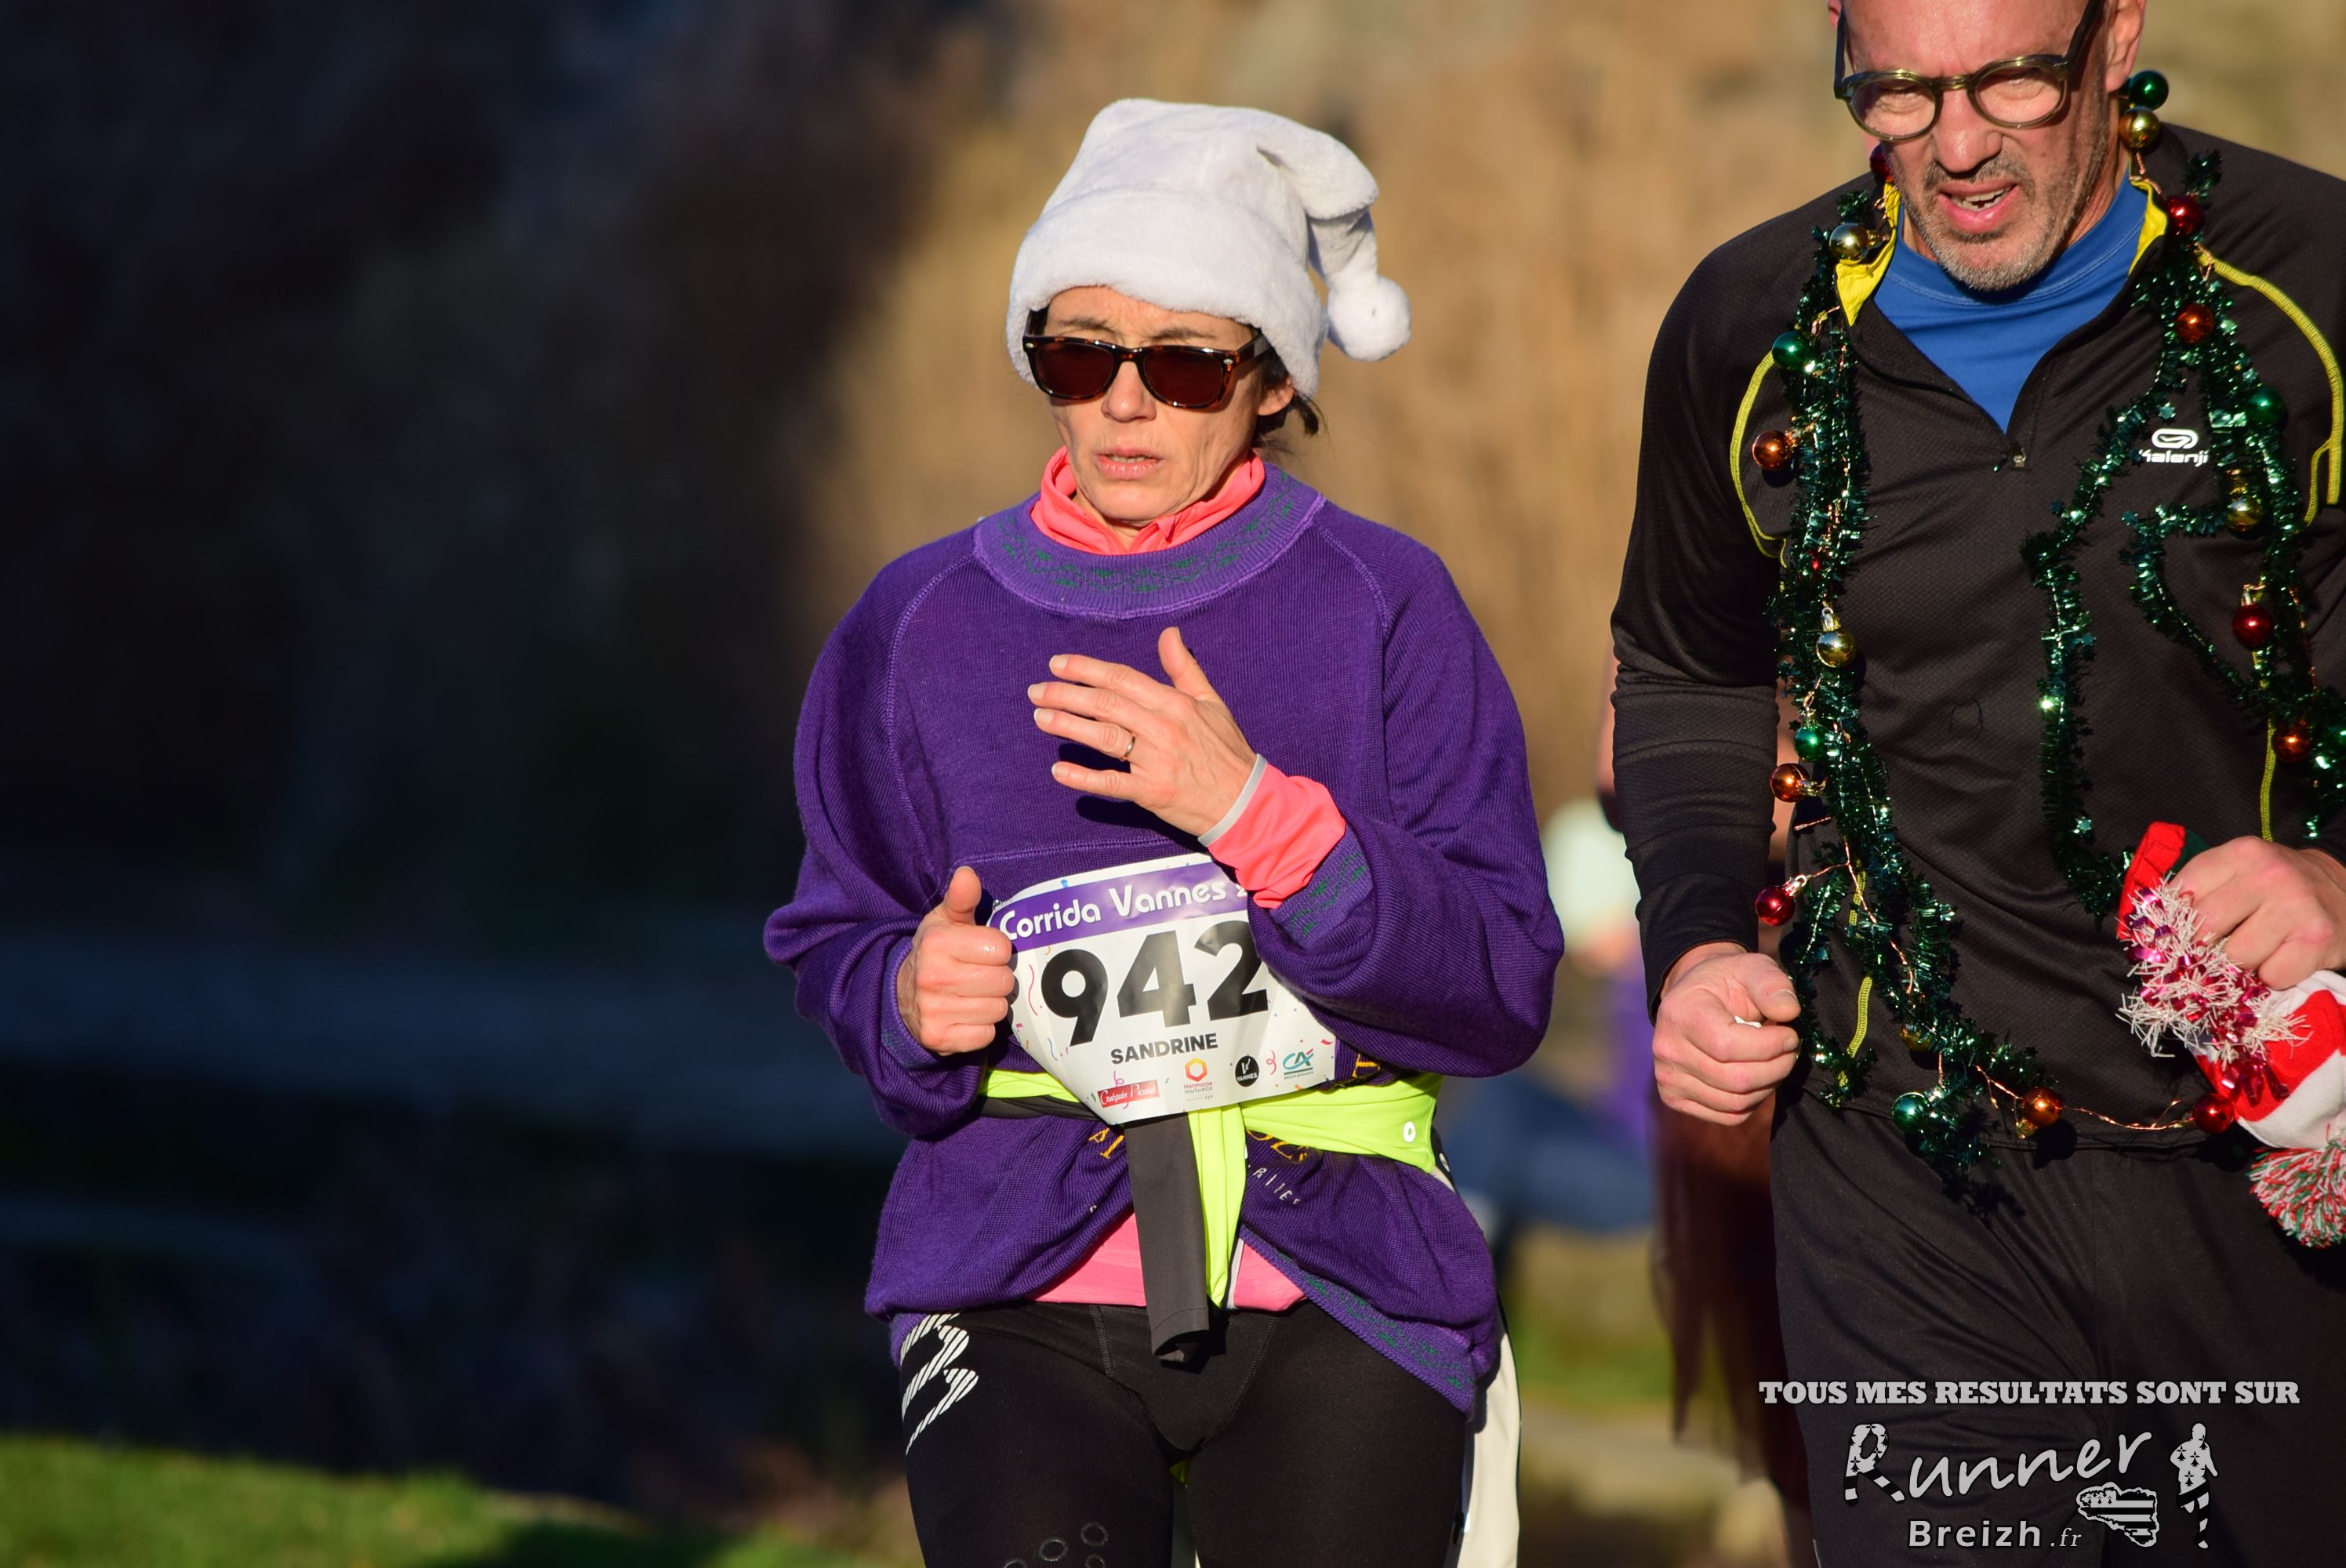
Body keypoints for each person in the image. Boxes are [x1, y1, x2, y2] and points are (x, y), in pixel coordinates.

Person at [767, 100, 1561, 1568]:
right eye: (1082, 355)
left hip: (1345, 1265)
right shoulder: (918, 623)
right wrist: (904, 995)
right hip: (1008, 1266)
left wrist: (1266, 823)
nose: (1128, 403)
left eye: (1185, 363)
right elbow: (833, 932)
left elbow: (1505, 984)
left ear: (1272, 381)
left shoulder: (1386, 604)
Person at [1612, 0, 2346, 1560]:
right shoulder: (1750, 323)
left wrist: (2339, 876)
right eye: (1893, 93)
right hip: (1903, 1159)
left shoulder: (2310, 282)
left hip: (2273, 1143)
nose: (1953, 146)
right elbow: (1686, 671)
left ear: (2114, 36)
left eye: (2011, 81)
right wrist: (1694, 943)